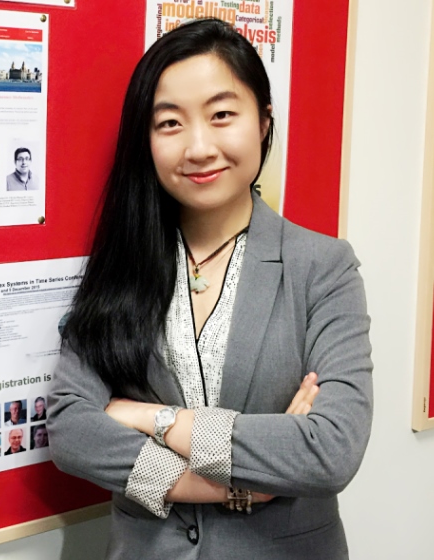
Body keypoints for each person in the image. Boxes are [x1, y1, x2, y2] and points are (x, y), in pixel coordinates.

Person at [47, 19, 372, 560]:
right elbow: (70, 428)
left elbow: (331, 450)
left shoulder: (323, 268)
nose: (198, 147)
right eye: (170, 123)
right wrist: (228, 486)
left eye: (222, 115)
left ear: (264, 122)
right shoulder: (122, 265)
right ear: (146, 139)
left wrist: (155, 418)